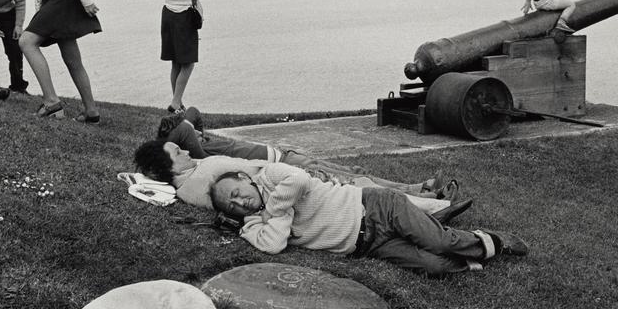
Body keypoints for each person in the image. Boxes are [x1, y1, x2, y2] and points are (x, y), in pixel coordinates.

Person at [210, 164, 528, 277]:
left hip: (375, 207)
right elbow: (274, 245)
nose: (239, 202)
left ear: (242, 177)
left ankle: (493, 242)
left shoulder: (270, 176)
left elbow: (300, 180)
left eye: (236, 191)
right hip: (369, 245)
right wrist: (269, 215)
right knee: (434, 267)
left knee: (438, 241)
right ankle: (462, 250)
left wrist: (275, 209)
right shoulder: (252, 225)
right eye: (232, 205)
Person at [133, 138, 468, 217]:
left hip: (286, 174)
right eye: (177, 153)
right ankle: (430, 206)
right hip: (290, 181)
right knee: (359, 186)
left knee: (360, 181)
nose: (186, 152)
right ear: (166, 167)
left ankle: (427, 198)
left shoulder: (192, 176)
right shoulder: (200, 178)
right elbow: (251, 183)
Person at [156, 108, 446, 197]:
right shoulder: (199, 155)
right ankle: (419, 198)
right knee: (351, 183)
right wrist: (190, 132)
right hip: (286, 163)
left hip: (285, 154)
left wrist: (200, 129)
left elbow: (190, 114)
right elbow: (184, 122)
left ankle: (416, 188)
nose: (185, 144)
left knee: (352, 174)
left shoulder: (198, 143)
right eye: (179, 144)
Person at [133, 0, 215, 113]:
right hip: (185, 16)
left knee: (176, 62)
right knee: (189, 62)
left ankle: (177, 103)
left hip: (169, 15)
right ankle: (176, 102)